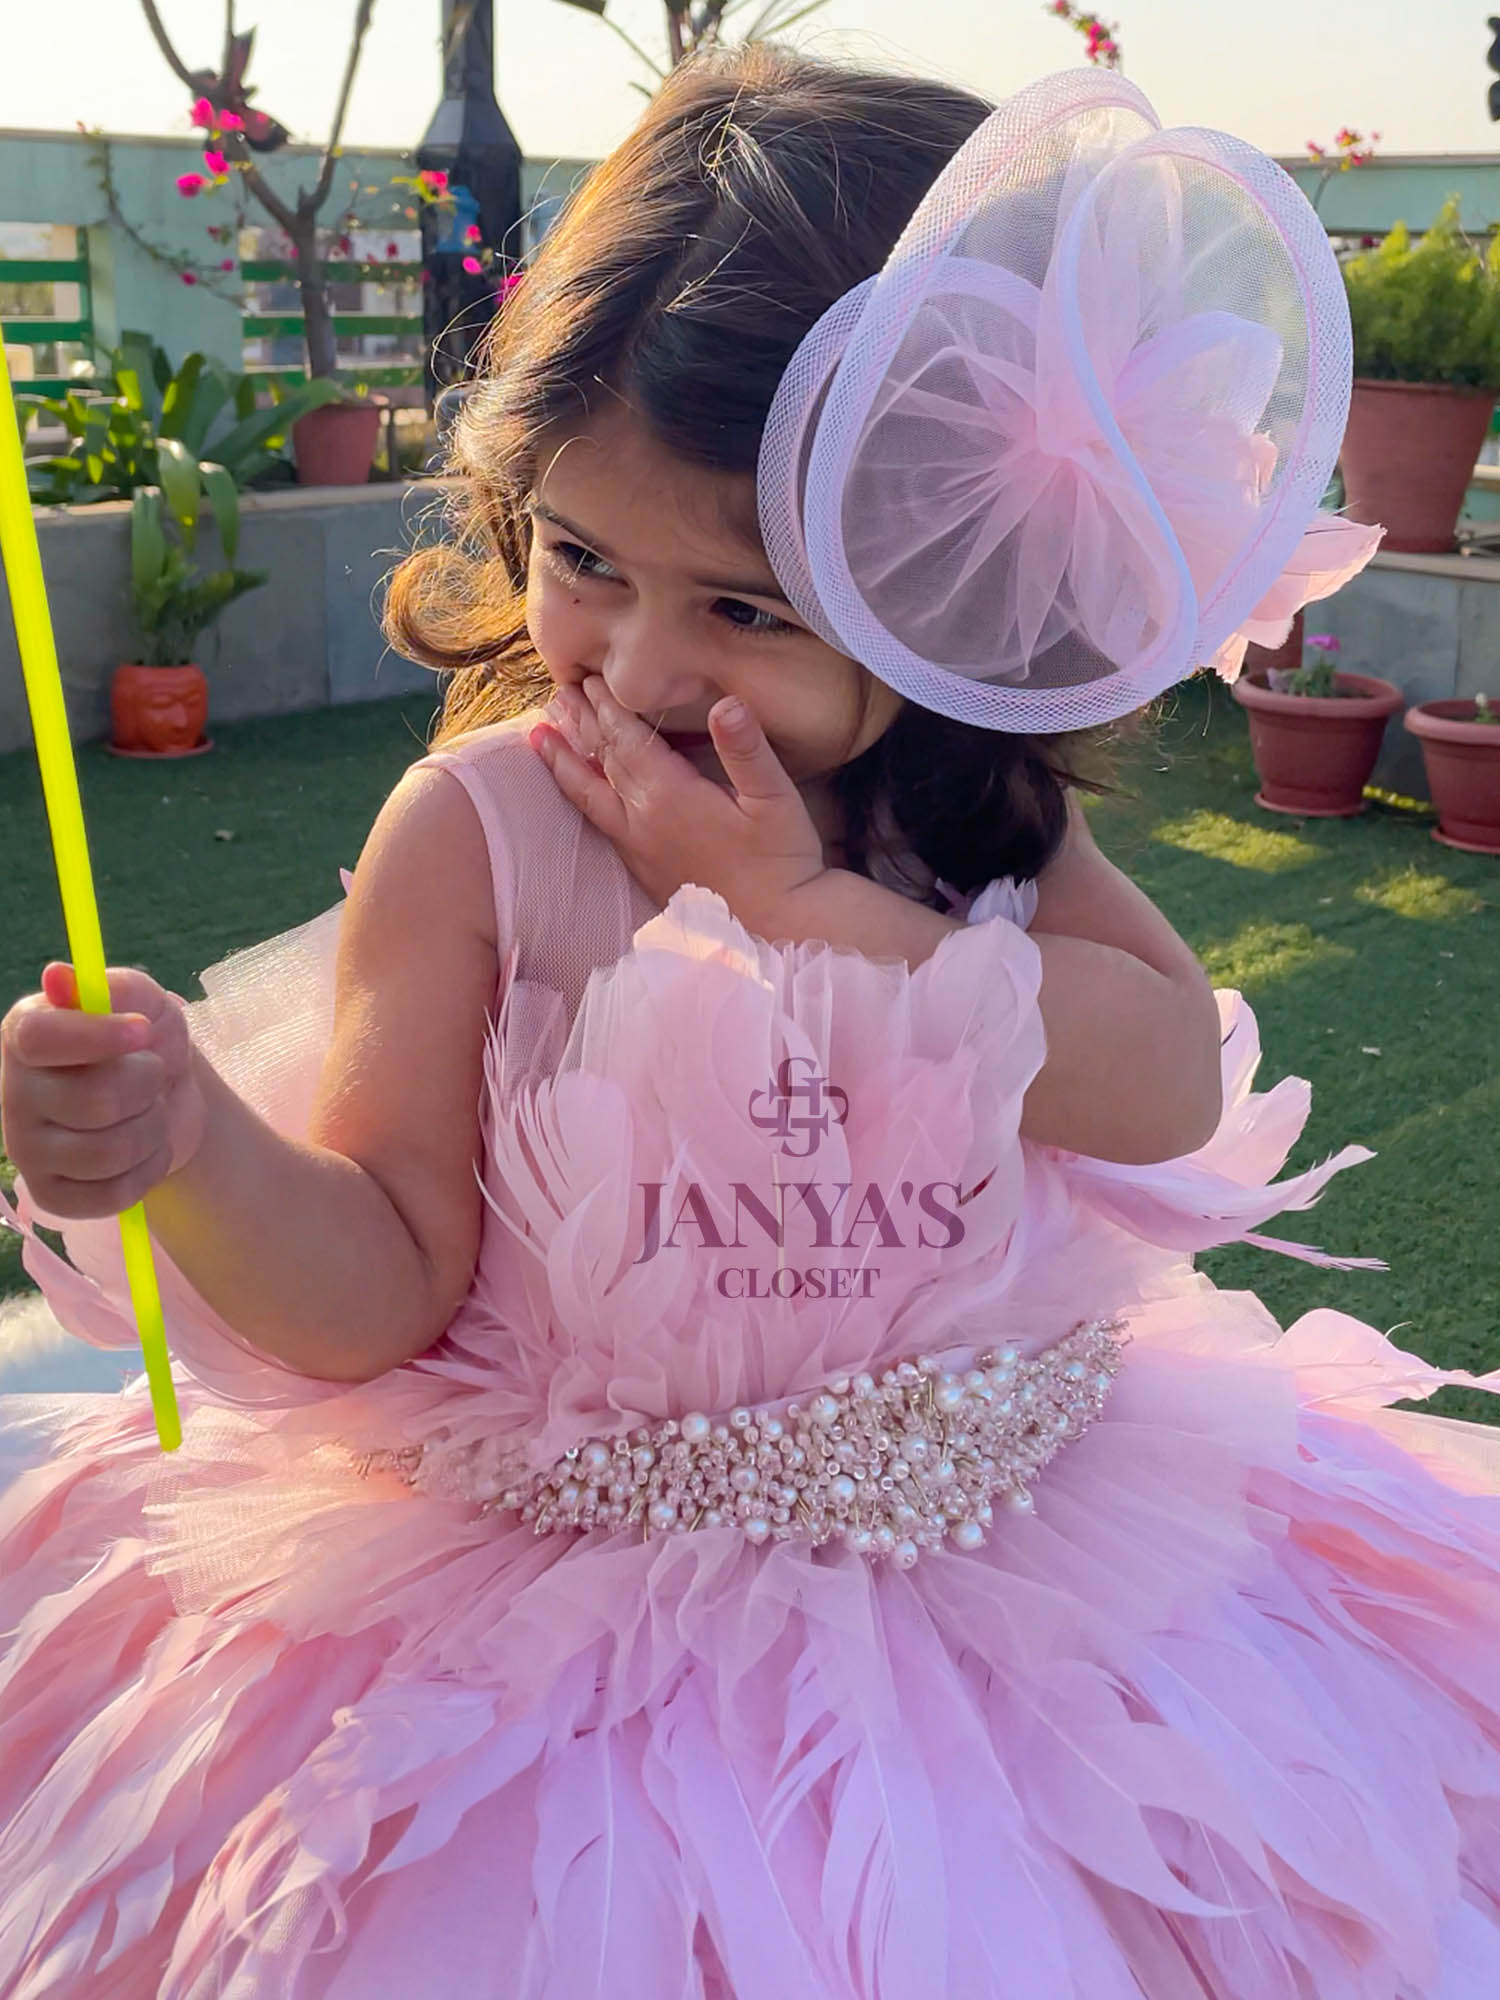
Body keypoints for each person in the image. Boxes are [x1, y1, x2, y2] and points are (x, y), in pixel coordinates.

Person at [1, 47, 1498, 2000]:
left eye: (749, 609)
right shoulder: (483, 832)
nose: (634, 660)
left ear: (942, 590)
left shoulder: (949, 818)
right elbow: (382, 1278)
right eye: (585, 559)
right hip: (554, 1639)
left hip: (1024, 1569)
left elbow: (1157, 1082)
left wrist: (819, 913)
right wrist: (190, 1146)